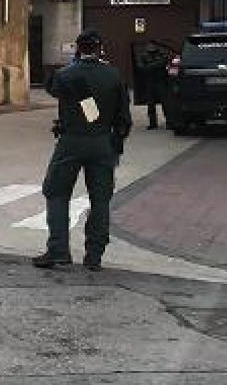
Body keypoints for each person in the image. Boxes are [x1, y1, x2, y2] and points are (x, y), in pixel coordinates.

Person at [34, 30, 132, 272]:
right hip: (102, 143)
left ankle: (58, 250)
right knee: (100, 200)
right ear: (100, 49)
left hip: (71, 142)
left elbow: (50, 87)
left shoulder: (66, 75)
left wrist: (70, 68)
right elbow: (124, 118)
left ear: (78, 48)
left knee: (56, 192)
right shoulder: (113, 75)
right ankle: (94, 256)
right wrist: (116, 143)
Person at [135, 41, 171, 130]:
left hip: (160, 81)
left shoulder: (161, 54)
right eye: (149, 45)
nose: (151, 47)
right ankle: (152, 123)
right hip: (150, 82)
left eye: (153, 45)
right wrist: (155, 65)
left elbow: (164, 62)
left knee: (165, 103)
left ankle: (170, 122)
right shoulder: (144, 56)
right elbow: (141, 68)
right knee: (150, 104)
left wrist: (150, 66)